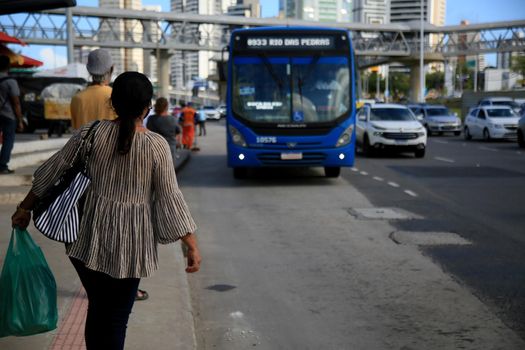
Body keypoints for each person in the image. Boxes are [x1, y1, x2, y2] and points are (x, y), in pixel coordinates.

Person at [12, 72, 201, 350]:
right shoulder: (157, 146)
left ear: (113, 103)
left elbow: (52, 171)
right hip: (132, 245)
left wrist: (24, 208)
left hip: (86, 238)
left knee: (98, 309)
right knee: (115, 319)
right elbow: (169, 198)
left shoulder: (90, 132)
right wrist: (191, 245)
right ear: (147, 107)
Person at [70, 49, 116, 130]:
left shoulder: (76, 99)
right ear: (111, 69)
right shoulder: (116, 96)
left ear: (89, 70)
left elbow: (75, 131)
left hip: (82, 142)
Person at [0, 55, 24, 174]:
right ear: (8, 66)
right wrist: (20, 120)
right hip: (8, 115)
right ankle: (3, 166)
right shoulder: (11, 82)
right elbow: (16, 103)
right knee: (8, 140)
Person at [146, 97, 182, 164]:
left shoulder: (151, 119)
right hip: (170, 149)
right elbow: (179, 132)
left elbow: (148, 132)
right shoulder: (173, 119)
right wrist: (178, 143)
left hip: (155, 148)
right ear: (166, 107)